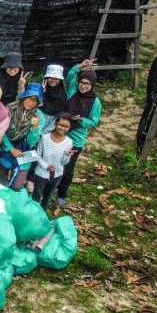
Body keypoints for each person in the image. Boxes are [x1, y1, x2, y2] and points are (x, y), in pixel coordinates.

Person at [57, 58, 102, 207]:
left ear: (92, 85)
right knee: (55, 161)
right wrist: (80, 66)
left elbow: (94, 122)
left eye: (87, 84)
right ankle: (52, 185)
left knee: (68, 167)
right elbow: (70, 76)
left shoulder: (95, 102)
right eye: (81, 82)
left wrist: (82, 119)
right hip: (62, 133)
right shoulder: (72, 91)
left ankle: (62, 193)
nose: (83, 86)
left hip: (76, 139)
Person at [0, 83, 45, 190]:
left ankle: (12, 203)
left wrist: (35, 128)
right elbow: (1, 131)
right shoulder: (10, 108)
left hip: (24, 152)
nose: (31, 102)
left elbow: (32, 141)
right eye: (29, 98)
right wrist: (11, 149)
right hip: (5, 147)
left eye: (35, 100)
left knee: (17, 185)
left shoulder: (39, 116)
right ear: (24, 96)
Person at [30, 114, 75, 209]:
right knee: (36, 195)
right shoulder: (45, 138)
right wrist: (46, 166)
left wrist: (67, 156)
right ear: (55, 124)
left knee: (48, 196)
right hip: (41, 173)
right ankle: (32, 214)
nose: (63, 128)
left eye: (66, 126)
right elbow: (37, 155)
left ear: (69, 127)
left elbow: (64, 163)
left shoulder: (69, 142)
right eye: (61, 125)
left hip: (57, 174)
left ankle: (43, 215)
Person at [40, 64, 68, 132]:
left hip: (51, 127)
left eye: (56, 78)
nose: (53, 80)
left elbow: (60, 114)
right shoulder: (40, 90)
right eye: (50, 77)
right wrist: (40, 93)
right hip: (38, 122)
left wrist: (45, 132)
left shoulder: (62, 95)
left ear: (60, 80)